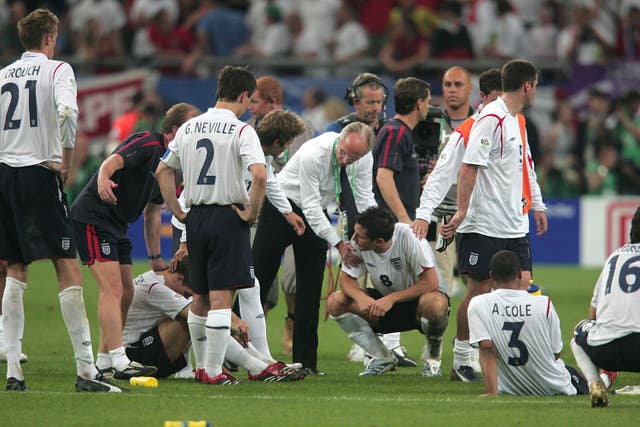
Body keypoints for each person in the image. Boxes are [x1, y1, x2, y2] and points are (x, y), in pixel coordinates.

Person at [0, 8, 121, 392]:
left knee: (16, 268)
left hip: (5, 173)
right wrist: (66, 161)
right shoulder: (57, 70)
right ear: (50, 38)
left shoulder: (2, 75)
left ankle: (14, 372)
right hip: (39, 170)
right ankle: (87, 371)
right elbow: (68, 111)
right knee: (66, 265)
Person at [170, 109, 308, 369]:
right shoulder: (243, 146)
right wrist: (184, 242)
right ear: (279, 142)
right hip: (194, 224)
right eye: (289, 143)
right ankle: (204, 365)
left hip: (203, 223)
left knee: (246, 288)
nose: (289, 147)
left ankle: (255, 359)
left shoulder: (254, 151)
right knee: (202, 298)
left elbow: (269, 182)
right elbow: (188, 196)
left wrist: (288, 213)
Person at [70, 103, 199, 380]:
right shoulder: (147, 142)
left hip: (116, 226)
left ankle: (104, 359)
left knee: (126, 292)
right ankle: (119, 358)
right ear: (174, 131)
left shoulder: (170, 167)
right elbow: (113, 160)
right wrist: (103, 178)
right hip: (94, 217)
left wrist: (154, 257)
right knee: (112, 290)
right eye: (190, 128)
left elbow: (152, 214)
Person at [156, 65, 267, 385]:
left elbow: (163, 171)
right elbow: (259, 175)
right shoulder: (241, 130)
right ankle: (215, 371)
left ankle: (204, 365)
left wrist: (177, 211)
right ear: (244, 96)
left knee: (201, 298)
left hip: (196, 218)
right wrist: (251, 214)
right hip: (226, 216)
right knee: (221, 298)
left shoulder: (189, 128)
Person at [441, 59, 548, 382]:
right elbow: (468, 167)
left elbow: (524, 165)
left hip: (514, 221)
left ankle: (512, 357)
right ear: (527, 85)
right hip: (485, 222)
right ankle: (462, 357)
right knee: (479, 290)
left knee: (522, 286)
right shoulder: (490, 119)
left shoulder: (518, 120)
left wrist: (538, 204)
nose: (536, 90)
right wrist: (461, 212)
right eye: (536, 85)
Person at [252, 122, 377, 375]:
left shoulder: (363, 158)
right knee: (257, 283)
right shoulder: (315, 153)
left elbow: (364, 197)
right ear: (339, 140)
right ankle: (235, 350)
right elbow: (309, 207)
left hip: (318, 211)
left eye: (353, 157)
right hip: (283, 207)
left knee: (310, 291)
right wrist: (339, 243)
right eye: (343, 153)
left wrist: (371, 231)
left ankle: (306, 362)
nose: (345, 160)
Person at [124, 256, 304, 382]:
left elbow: (207, 304)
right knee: (195, 317)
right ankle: (257, 367)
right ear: (179, 279)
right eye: (188, 292)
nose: (189, 295)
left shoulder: (161, 278)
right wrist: (233, 325)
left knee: (199, 314)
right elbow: (201, 310)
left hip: (145, 347)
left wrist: (236, 321)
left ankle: (264, 363)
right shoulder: (155, 289)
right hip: (135, 357)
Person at [327, 207, 449, 377]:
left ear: (378, 241)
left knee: (434, 304)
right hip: (386, 307)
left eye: (359, 237)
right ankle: (382, 357)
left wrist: (391, 299)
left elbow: (431, 282)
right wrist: (361, 298)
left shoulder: (410, 237)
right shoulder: (358, 242)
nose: (354, 239)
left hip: (419, 305)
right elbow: (346, 279)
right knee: (336, 302)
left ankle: (433, 359)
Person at [246, 76, 315, 355]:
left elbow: (295, 171)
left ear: (272, 102)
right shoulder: (247, 130)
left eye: (254, 101)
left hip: (292, 208)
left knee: (293, 277)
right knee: (255, 278)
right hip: (258, 211)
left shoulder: (301, 129)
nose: (249, 107)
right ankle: (251, 338)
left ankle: (291, 326)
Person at [469, 250, 588, 397]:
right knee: (584, 378)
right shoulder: (544, 303)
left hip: (509, 388)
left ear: (491, 276)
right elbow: (556, 353)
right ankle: (606, 375)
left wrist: (491, 392)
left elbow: (486, 348)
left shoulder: (478, 304)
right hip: (554, 386)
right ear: (520, 274)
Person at [570, 205, 640, 408]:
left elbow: (593, 313)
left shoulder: (615, 257)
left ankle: (595, 384)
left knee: (578, 333)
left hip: (607, 350)